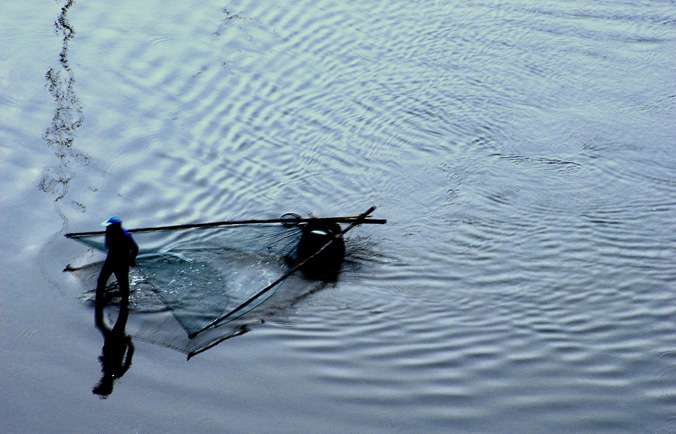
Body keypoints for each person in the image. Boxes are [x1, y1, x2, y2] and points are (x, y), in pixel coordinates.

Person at [95, 216, 139, 305]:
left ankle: (125, 303)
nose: (107, 228)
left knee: (123, 286)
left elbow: (135, 248)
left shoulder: (125, 236)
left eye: (109, 226)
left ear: (115, 227)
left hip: (121, 262)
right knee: (101, 280)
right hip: (110, 260)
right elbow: (107, 245)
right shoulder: (109, 232)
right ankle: (98, 300)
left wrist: (131, 259)